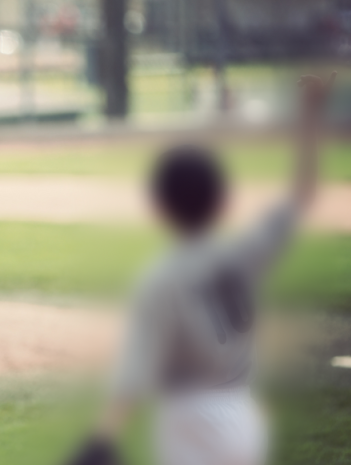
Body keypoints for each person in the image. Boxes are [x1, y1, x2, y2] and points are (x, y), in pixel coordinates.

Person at [65, 73, 334, 465]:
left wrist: (102, 437)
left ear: (160, 207)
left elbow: (134, 373)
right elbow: (301, 195)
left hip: (192, 421)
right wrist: (310, 118)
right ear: (221, 202)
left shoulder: (163, 277)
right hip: (243, 416)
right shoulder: (244, 252)